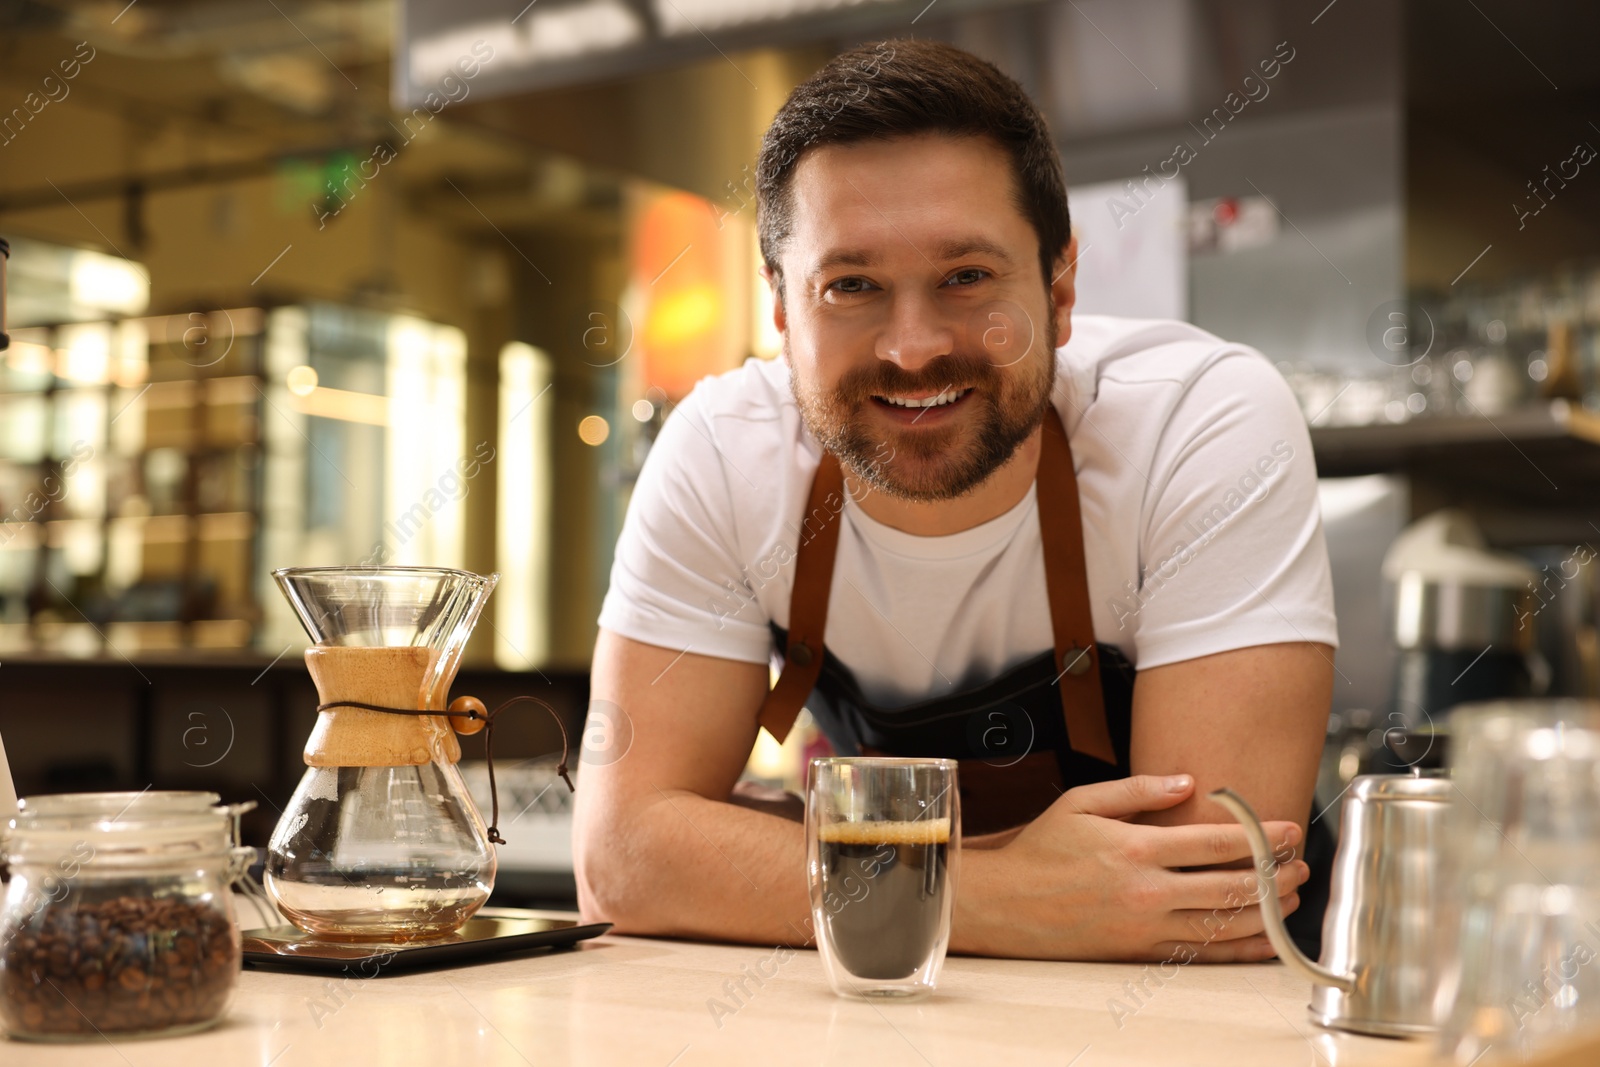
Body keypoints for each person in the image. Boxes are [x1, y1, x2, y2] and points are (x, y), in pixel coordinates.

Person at [574, 37, 1337, 963]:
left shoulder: (1200, 420)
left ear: (1060, 291)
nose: (913, 347)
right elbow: (622, 862)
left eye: (966, 277)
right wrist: (1007, 885)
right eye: (851, 286)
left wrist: (813, 862)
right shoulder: (721, 453)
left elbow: (1204, 897)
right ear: (781, 310)